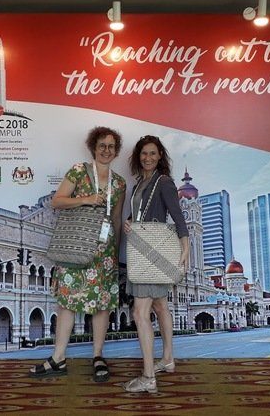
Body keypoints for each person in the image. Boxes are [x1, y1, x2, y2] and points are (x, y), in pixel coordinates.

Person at [29, 127, 126, 382]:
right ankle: (58, 357)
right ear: (93, 147)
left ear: (116, 152)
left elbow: (115, 218)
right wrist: (85, 198)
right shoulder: (78, 171)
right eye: (102, 145)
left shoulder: (119, 183)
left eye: (111, 146)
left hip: (103, 252)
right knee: (67, 303)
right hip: (75, 245)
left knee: (102, 305)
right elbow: (57, 201)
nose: (106, 150)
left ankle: (97, 355)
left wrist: (115, 253)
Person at [123, 135, 189, 394]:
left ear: (160, 155)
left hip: (152, 253)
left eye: (152, 153)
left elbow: (178, 217)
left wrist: (185, 248)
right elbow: (140, 215)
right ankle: (168, 359)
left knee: (140, 313)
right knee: (161, 306)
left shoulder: (164, 182)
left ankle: (149, 376)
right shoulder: (141, 183)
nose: (147, 158)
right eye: (143, 154)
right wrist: (128, 221)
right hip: (143, 249)